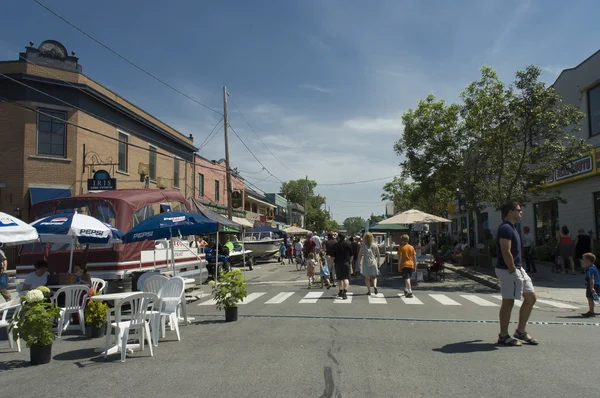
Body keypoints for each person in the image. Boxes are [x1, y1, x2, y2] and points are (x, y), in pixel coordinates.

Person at [495, 201, 538, 346]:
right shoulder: (506, 228)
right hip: (508, 270)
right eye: (518, 210)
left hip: (518, 268)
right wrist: (513, 271)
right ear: (509, 212)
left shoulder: (512, 227)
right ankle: (503, 335)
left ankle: (520, 331)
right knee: (508, 301)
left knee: (531, 298)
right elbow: (505, 251)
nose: (521, 212)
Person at [332, 233, 352, 300]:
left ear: (339, 238)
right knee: (346, 278)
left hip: (337, 263)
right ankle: (345, 292)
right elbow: (351, 254)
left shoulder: (335, 246)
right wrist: (350, 261)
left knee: (339, 278)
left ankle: (340, 291)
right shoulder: (348, 245)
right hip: (346, 262)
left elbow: (332, 256)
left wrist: (332, 264)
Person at [582, 253, 599, 318]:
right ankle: (591, 311)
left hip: (593, 285)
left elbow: (592, 279)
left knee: (590, 298)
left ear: (588, 260)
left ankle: (591, 311)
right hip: (596, 284)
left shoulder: (590, 269)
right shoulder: (593, 267)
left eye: (584, 259)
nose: (583, 261)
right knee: (595, 298)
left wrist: (591, 287)